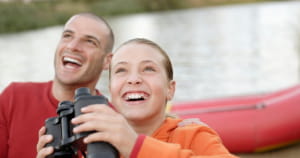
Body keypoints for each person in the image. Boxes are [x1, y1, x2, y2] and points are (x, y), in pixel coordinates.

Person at [37, 38, 238, 158]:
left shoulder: (193, 137)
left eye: (148, 69)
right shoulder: (96, 148)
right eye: (122, 71)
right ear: (111, 91)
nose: (134, 79)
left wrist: (135, 146)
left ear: (170, 89)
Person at [0, 12, 114, 158]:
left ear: (107, 61)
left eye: (90, 41)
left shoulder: (115, 123)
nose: (73, 46)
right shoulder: (14, 97)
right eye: (67, 36)